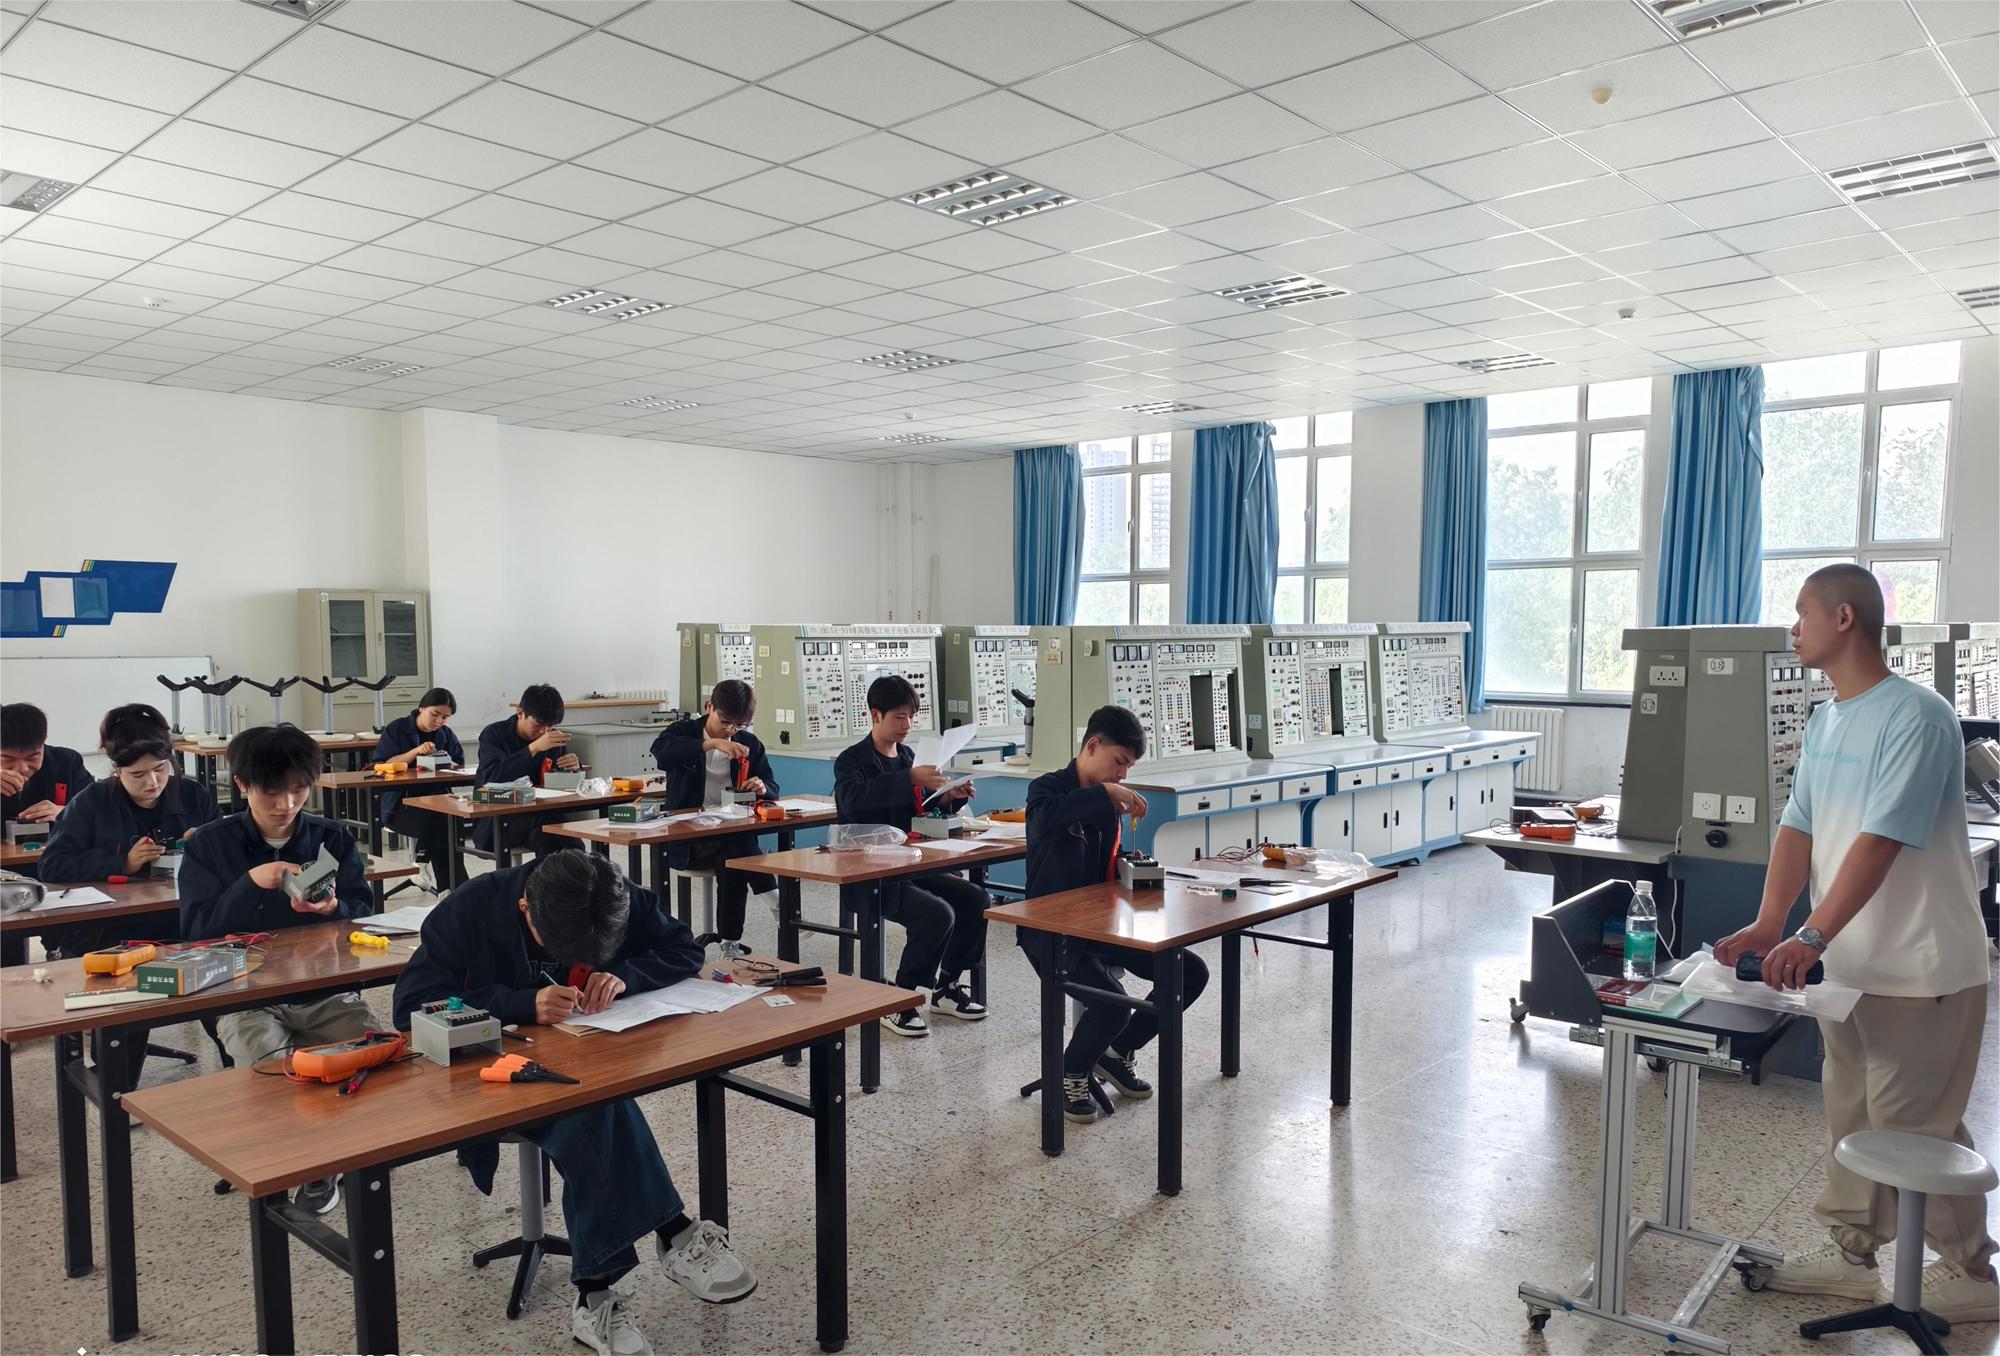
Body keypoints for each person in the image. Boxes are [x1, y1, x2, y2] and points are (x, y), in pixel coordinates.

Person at [1716, 564, 1994, 1324]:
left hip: (1920, 964)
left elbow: (1881, 841)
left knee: (1915, 1126)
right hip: (1849, 965)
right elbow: (1798, 825)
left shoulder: (1918, 716)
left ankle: (1971, 1271)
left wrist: (1812, 932)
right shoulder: (1827, 718)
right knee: (1852, 1116)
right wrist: (1771, 922)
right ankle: (1851, 1255)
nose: (1792, 628)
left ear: (1844, 618)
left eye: (1801, 612)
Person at [392, 850, 755, 1356]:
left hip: (583, 1053)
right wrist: (522, 1003)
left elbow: (682, 949)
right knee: (592, 1108)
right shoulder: (470, 907)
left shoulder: (607, 893)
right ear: (525, 907)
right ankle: (666, 1237)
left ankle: (599, 1296)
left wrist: (626, 975)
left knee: (594, 1098)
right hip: (490, 1067)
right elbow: (411, 1007)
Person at [179, 723, 373, 1218]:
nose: (287, 804)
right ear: (242, 784)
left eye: (299, 789)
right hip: (245, 995)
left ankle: (342, 1150)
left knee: (378, 1055)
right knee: (273, 1071)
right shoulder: (210, 845)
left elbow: (364, 912)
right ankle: (311, 1165)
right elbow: (196, 931)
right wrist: (250, 882)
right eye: (272, 791)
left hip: (324, 990)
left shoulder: (331, 838)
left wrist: (334, 909)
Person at [1023, 705, 1209, 1123]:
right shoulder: (1047, 789)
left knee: (1188, 972)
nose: (1123, 775)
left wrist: (1137, 869)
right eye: (1119, 763)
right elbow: (1042, 824)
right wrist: (1103, 795)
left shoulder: (1108, 801)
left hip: (1104, 925)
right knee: (1114, 1005)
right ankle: (1070, 1072)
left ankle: (1116, 1051)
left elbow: (1105, 859)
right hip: (1051, 931)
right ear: (1093, 746)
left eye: (1128, 768)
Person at [832, 674, 988, 1037]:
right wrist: (910, 780)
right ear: (876, 715)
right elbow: (852, 803)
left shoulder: (907, 757)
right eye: (899, 717)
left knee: (975, 898)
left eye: (911, 717)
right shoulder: (852, 760)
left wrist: (949, 797)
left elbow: (920, 809)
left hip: (910, 864)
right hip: (868, 871)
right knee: (937, 914)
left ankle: (947, 986)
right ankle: (900, 999)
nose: (907, 725)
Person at [39, 703, 218, 955]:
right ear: (117, 770)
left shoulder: (193, 794)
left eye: (160, 768)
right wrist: (123, 863)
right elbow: (52, 865)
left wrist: (206, 844)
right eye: (137, 775)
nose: (152, 782)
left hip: (182, 918)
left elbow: (228, 852)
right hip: (112, 929)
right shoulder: (91, 802)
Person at [648, 679, 779, 957]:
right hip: (688, 837)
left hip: (730, 835)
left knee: (732, 859)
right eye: (725, 722)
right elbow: (662, 754)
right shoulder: (682, 732)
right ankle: (777, 902)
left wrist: (762, 787)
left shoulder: (748, 742)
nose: (731, 730)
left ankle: (729, 944)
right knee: (737, 845)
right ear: (710, 707)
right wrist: (710, 744)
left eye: (740, 725)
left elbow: (773, 786)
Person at [370, 687, 465, 891]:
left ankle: (427, 870)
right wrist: (416, 752)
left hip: (437, 802)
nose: (439, 721)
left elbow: (459, 765)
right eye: (435, 714)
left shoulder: (446, 734)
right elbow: (383, 764)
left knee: (447, 824)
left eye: (445, 717)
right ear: (422, 708)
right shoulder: (397, 729)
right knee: (446, 826)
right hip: (400, 805)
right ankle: (455, 891)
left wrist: (448, 763)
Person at [475, 683, 581, 858]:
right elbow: (492, 778)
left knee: (561, 841)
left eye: (550, 726)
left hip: (539, 817)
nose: (544, 731)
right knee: (554, 828)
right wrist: (533, 749)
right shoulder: (493, 734)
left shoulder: (552, 738)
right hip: (498, 819)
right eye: (538, 724)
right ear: (520, 713)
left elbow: (557, 782)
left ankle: (579, 871)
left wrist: (574, 768)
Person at [1, 702, 89, 825]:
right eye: (7, 758)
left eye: (32, 757)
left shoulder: (67, 761)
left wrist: (67, 812)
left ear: (44, 740)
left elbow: (99, 810)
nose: (22, 768)